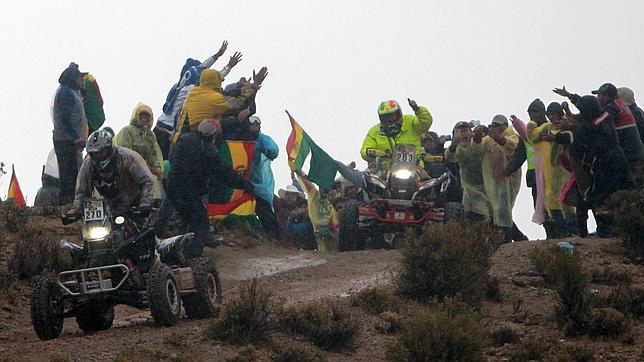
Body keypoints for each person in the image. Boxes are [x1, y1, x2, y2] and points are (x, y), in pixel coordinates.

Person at [164, 120, 253, 257]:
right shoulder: (209, 151)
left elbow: (173, 159)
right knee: (201, 223)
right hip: (189, 192)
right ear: (213, 135)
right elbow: (225, 173)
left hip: (172, 187)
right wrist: (244, 184)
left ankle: (177, 251)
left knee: (188, 219)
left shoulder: (184, 139)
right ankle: (193, 257)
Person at [553, 95, 636, 236]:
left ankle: (611, 230)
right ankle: (603, 232)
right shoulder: (593, 122)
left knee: (602, 196)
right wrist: (557, 135)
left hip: (609, 163)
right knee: (601, 196)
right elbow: (576, 134)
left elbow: (581, 131)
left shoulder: (602, 117)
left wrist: (571, 127)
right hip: (608, 162)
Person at [154, 41, 238, 159]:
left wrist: (217, 55)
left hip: (159, 127)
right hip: (167, 133)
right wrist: (228, 66)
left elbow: (201, 68)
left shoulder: (179, 85)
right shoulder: (192, 90)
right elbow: (211, 78)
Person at [554, 84, 644, 186]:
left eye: (600, 95)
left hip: (630, 157)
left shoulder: (614, 108)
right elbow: (590, 108)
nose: (598, 99)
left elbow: (593, 122)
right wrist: (569, 96)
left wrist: (573, 126)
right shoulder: (616, 106)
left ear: (606, 96)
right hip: (628, 155)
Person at [68, 129, 154, 217]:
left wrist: (145, 204)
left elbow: (147, 181)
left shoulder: (128, 157)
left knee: (142, 226)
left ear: (109, 149)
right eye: (94, 154)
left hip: (134, 204)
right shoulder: (88, 164)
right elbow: (81, 190)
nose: (98, 156)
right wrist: (75, 210)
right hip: (109, 208)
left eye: (101, 152)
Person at [173, 67, 268, 143]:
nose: (221, 83)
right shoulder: (213, 98)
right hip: (196, 142)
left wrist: (242, 88)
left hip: (180, 140)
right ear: (214, 82)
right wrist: (254, 86)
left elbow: (224, 94)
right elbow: (240, 104)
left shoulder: (195, 91)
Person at [526, 102, 576, 238]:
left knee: (568, 200)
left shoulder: (567, 126)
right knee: (552, 199)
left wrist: (555, 138)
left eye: (554, 114)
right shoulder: (547, 127)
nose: (552, 117)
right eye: (550, 114)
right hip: (551, 171)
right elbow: (533, 138)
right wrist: (530, 126)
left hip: (567, 170)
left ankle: (574, 232)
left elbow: (571, 137)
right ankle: (561, 233)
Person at [473, 115, 525, 242]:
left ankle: (506, 240)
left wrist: (496, 137)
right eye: (492, 125)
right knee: (496, 212)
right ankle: (517, 238)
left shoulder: (512, 135)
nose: (494, 128)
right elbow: (476, 148)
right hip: (492, 181)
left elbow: (512, 146)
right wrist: (478, 135)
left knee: (502, 211)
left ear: (504, 125)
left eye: (497, 125)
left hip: (509, 181)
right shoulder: (488, 140)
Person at [360, 98, 433, 173]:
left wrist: (417, 109)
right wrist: (370, 152)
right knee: (372, 183)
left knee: (429, 181)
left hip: (416, 169)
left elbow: (425, 123)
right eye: (386, 119)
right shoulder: (375, 132)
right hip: (387, 172)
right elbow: (364, 151)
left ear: (400, 114)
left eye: (393, 117)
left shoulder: (410, 122)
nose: (391, 121)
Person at [52, 62, 88, 205]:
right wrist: (75, 137)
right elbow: (65, 118)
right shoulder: (66, 93)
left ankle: (70, 205)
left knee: (73, 174)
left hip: (68, 140)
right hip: (66, 140)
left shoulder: (72, 92)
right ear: (74, 78)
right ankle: (66, 206)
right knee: (69, 175)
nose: (82, 81)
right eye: (80, 78)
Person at [444, 121, 491, 222]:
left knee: (494, 216)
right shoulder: (459, 148)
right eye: (460, 132)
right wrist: (454, 144)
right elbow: (450, 156)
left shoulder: (482, 142)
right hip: (470, 191)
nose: (463, 134)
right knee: (473, 215)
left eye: (465, 131)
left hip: (488, 186)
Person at [248, 115, 281, 239]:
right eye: (251, 125)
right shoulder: (241, 136)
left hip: (257, 181)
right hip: (240, 178)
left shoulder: (262, 139)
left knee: (263, 208)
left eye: (256, 125)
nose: (253, 127)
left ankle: (274, 236)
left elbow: (274, 150)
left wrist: (266, 150)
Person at [294, 171, 339, 252]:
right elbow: (305, 181)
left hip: (334, 230)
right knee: (324, 251)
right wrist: (298, 170)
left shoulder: (335, 195)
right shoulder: (314, 194)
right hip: (320, 230)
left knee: (335, 251)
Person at [275, 185, 316, 249]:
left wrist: (303, 213)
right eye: (288, 194)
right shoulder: (280, 207)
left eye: (293, 194)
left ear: (297, 197)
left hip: (303, 238)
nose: (290, 196)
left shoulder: (304, 208)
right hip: (285, 238)